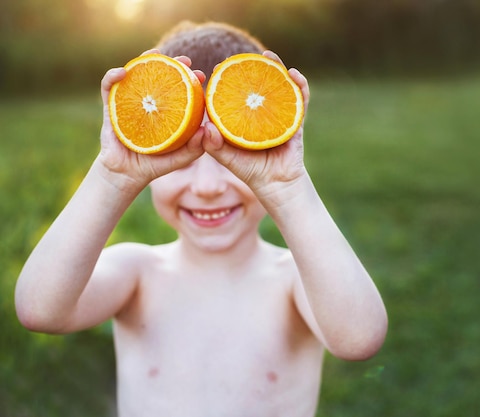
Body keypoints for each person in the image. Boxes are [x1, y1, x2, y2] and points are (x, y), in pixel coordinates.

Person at [14, 21, 387, 417]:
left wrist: (289, 186)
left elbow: (359, 337)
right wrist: (113, 175)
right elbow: (40, 309)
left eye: (231, 159)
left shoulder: (294, 282)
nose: (208, 187)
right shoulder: (136, 273)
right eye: (184, 159)